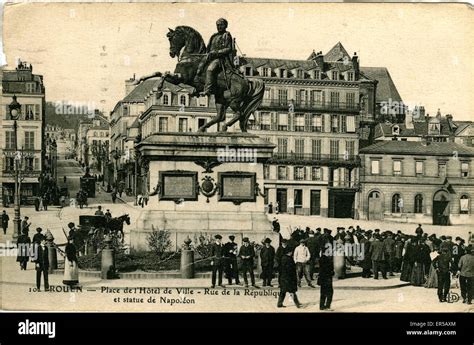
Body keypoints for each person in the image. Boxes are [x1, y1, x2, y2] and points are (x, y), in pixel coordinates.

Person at [196, 18, 235, 97]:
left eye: (221, 25)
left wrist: (216, 52)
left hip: (220, 59)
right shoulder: (214, 36)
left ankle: (208, 90)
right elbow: (208, 48)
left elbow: (228, 49)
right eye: (217, 25)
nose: (219, 27)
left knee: (210, 69)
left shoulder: (226, 35)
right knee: (198, 67)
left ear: (225, 26)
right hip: (210, 57)